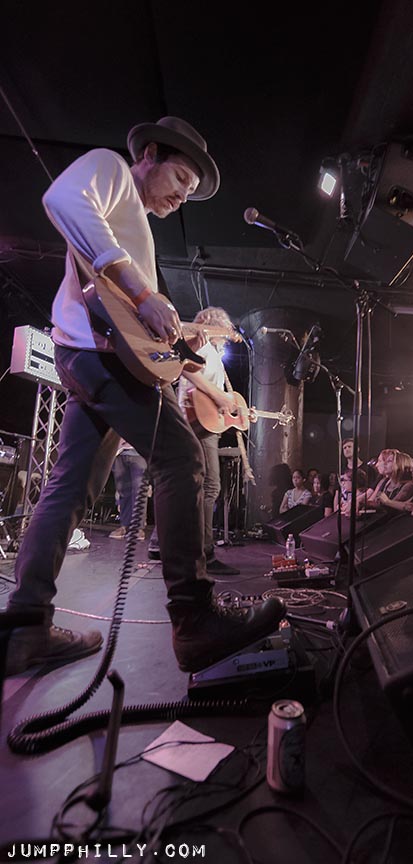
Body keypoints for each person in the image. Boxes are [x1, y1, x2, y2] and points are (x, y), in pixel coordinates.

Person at [4, 116, 284, 676]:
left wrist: (176, 340)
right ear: (150, 154)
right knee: (181, 459)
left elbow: (132, 321)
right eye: (180, 178)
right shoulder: (111, 169)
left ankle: (25, 627)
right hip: (101, 358)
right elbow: (61, 199)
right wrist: (141, 291)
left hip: (91, 356)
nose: (182, 197)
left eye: (189, 191)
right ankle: (194, 619)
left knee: (69, 488)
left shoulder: (134, 225)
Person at [177, 306, 241, 576]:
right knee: (210, 485)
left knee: (187, 485)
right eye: (224, 327)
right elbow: (186, 371)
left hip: (202, 420)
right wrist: (219, 396)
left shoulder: (211, 353)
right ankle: (204, 553)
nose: (227, 334)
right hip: (198, 422)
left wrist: (232, 410)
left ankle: (161, 543)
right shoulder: (203, 345)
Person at [110, 439, 148, 541]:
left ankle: (138, 527)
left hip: (139, 451)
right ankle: (124, 525)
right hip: (119, 452)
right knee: (123, 490)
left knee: (139, 490)